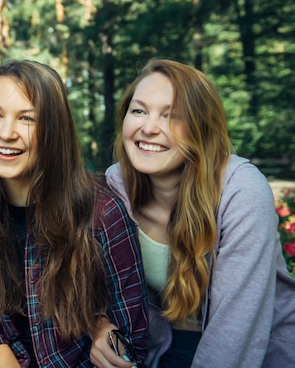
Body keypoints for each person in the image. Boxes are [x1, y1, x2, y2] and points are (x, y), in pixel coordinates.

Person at [0, 60, 148, 367]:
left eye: (27, 118)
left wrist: (109, 338)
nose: (6, 133)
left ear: (54, 129)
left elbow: (133, 339)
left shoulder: (103, 214)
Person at [105, 58, 295, 368]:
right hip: (158, 349)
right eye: (138, 111)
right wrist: (101, 325)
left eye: (172, 116)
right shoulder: (117, 185)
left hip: (256, 352)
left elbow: (236, 333)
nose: (149, 127)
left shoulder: (241, 189)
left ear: (201, 128)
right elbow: (99, 288)